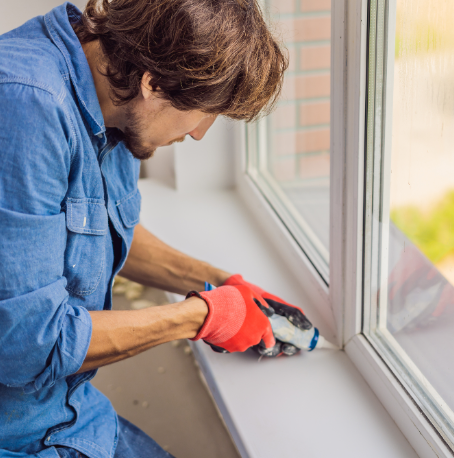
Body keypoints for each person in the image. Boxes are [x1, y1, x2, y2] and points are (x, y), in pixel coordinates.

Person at [0, 1, 308, 456]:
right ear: (154, 83)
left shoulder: (112, 83)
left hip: (65, 411)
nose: (201, 133)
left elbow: (89, 229)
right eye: (204, 113)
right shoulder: (27, 107)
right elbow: (31, 345)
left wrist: (220, 283)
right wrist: (202, 317)